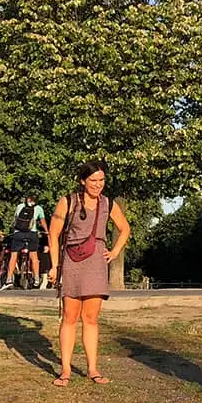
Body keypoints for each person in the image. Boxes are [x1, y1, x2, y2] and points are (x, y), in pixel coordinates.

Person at [46, 161, 130, 386]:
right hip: (72, 261)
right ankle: (65, 370)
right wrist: (54, 266)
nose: (98, 185)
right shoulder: (68, 201)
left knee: (91, 318)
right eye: (93, 180)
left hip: (96, 263)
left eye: (101, 180)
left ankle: (93, 369)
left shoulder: (108, 204)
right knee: (70, 317)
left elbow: (125, 228)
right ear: (82, 181)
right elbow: (53, 234)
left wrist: (114, 252)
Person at [3, 194, 48, 289]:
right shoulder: (39, 208)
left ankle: (9, 279)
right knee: (34, 255)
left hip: (18, 233)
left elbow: (15, 219)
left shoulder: (20, 206)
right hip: (32, 234)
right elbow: (43, 222)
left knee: (14, 255)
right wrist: (47, 231)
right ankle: (36, 278)